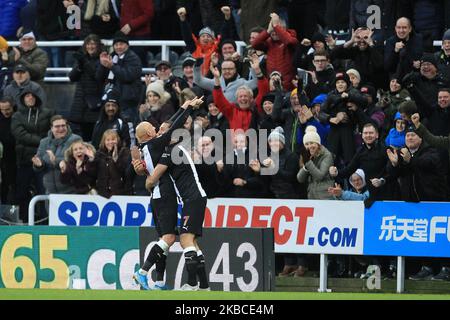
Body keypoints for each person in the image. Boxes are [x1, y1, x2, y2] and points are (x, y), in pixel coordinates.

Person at [132, 97, 203, 291]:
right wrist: (187, 107)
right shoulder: (154, 145)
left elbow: (169, 125)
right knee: (169, 238)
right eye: (154, 128)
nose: (158, 129)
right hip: (164, 194)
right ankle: (143, 272)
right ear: (149, 132)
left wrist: (185, 105)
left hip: (156, 196)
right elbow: (173, 127)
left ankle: (160, 281)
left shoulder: (144, 147)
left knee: (165, 238)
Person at [11, 88, 53, 222]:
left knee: (43, 190)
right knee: (22, 191)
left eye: (32, 96)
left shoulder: (48, 113)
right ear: (23, 99)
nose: (30, 98)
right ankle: (23, 219)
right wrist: (41, 140)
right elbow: (20, 135)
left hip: (43, 159)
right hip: (24, 159)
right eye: (27, 96)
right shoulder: (17, 116)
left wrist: (42, 143)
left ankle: (44, 219)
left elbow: (52, 132)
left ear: (37, 98)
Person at [96, 31, 143, 123]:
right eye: (116, 44)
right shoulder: (111, 56)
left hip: (128, 102)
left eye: (121, 44)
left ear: (127, 45)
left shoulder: (133, 58)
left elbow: (128, 76)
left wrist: (112, 66)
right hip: (112, 100)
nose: (118, 47)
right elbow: (99, 77)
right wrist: (102, 65)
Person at [32, 115, 81, 195]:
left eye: (63, 126)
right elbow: (39, 165)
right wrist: (38, 165)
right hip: (50, 192)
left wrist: (55, 160)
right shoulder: (44, 142)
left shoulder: (75, 140)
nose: (61, 129)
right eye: (57, 126)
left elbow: (76, 161)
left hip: (71, 191)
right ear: (51, 128)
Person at [69, 34, 104, 142]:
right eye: (88, 44)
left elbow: (97, 76)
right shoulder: (82, 58)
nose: (90, 46)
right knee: (79, 138)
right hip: (80, 102)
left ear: (98, 46)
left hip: (94, 102)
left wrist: (84, 62)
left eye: (93, 44)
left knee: (92, 136)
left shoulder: (102, 59)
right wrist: (79, 66)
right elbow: (72, 77)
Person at [251, 13, 299, 91]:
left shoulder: (292, 38)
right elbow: (255, 44)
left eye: (276, 30)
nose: (274, 32)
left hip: (288, 87)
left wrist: (276, 26)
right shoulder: (269, 43)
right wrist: (268, 31)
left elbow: (289, 42)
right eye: (272, 30)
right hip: (271, 86)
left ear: (284, 29)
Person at [94, 130, 132, 198]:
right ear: (104, 142)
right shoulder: (99, 154)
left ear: (118, 140)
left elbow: (126, 172)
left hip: (120, 192)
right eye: (108, 140)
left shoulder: (124, 152)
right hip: (102, 194)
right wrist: (91, 161)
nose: (110, 142)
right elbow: (93, 173)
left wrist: (116, 160)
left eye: (113, 139)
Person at [0, 96, 16, 204]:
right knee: (3, 186)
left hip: (16, 156)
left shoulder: (18, 118)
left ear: (12, 107)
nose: (5, 112)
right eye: (2, 109)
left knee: (14, 185)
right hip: (3, 157)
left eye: (7, 109)